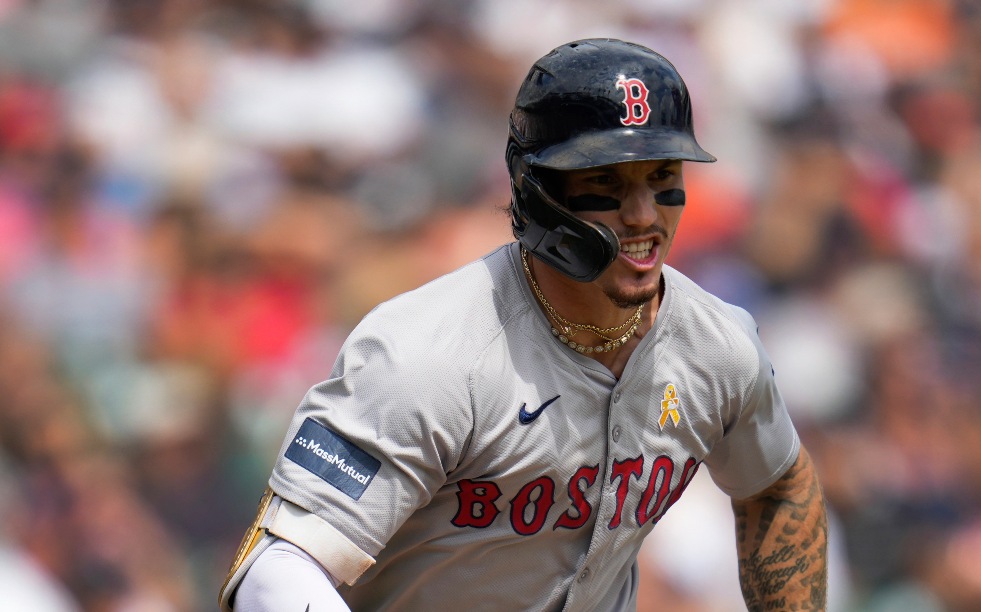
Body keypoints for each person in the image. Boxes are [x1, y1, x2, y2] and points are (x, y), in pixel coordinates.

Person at [218, 38, 828, 612]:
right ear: (537, 193)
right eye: (605, 183)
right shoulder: (424, 353)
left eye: (663, 178)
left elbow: (779, 486)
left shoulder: (717, 346)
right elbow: (278, 570)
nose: (644, 216)